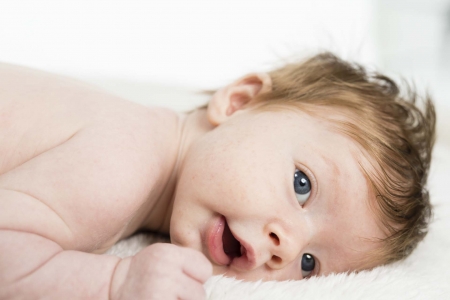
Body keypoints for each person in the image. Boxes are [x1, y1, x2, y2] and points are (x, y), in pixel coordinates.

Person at [0, 52, 435, 299]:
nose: (288, 246)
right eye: (302, 185)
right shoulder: (118, 165)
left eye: (309, 265)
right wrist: (113, 283)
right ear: (238, 103)